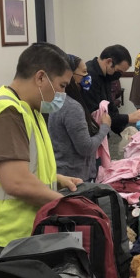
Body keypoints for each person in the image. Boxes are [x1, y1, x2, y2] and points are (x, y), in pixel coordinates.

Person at [0, 42, 83, 263]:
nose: (63, 93)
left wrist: (55, 179)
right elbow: (16, 182)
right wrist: (65, 205)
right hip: (4, 242)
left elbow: (23, 166)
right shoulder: (5, 113)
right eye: (61, 85)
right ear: (40, 78)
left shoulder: (30, 109)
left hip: (26, 234)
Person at [48, 54, 112, 182]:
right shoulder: (72, 107)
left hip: (61, 171)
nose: (87, 76)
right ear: (69, 75)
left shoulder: (57, 101)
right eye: (83, 72)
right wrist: (105, 127)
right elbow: (86, 148)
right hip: (75, 178)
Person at [82, 44, 140, 135]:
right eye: (119, 71)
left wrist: (124, 132)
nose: (118, 75)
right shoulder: (89, 76)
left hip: (101, 131)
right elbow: (96, 115)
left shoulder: (106, 75)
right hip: (89, 131)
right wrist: (128, 117)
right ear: (109, 62)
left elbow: (110, 107)